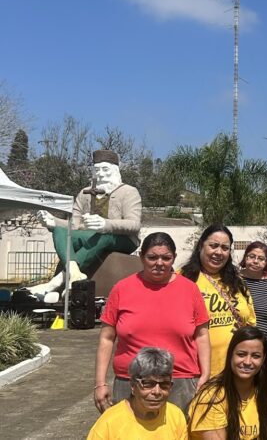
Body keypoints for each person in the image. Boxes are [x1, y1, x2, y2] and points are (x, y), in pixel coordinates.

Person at [95, 232, 210, 414]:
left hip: (179, 383)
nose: (159, 263)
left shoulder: (190, 289)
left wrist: (205, 375)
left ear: (174, 258)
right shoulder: (122, 289)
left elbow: (202, 335)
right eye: (152, 257)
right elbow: (107, 339)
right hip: (131, 383)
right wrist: (100, 383)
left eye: (166, 258)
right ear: (141, 257)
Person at [30, 149, 142, 296]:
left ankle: (58, 280)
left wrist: (105, 224)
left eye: (105, 169)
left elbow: (134, 224)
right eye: (97, 170)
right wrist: (54, 222)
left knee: (103, 235)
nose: (101, 174)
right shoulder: (84, 193)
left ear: (115, 170)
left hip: (122, 239)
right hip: (88, 237)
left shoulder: (129, 192)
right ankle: (74, 273)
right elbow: (75, 225)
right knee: (60, 231)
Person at [181, 224, 257, 377]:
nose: (218, 252)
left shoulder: (238, 282)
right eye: (213, 246)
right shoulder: (182, 279)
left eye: (224, 248)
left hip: (237, 372)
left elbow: (251, 323)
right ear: (201, 245)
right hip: (197, 374)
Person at [188, 326, 267, 440]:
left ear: (264, 359)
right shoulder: (211, 397)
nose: (248, 362)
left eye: (256, 356)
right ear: (230, 355)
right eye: (241, 354)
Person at [88, 347, 188, 439]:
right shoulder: (108, 423)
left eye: (164, 384)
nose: (157, 391)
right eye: (148, 384)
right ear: (133, 386)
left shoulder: (176, 416)